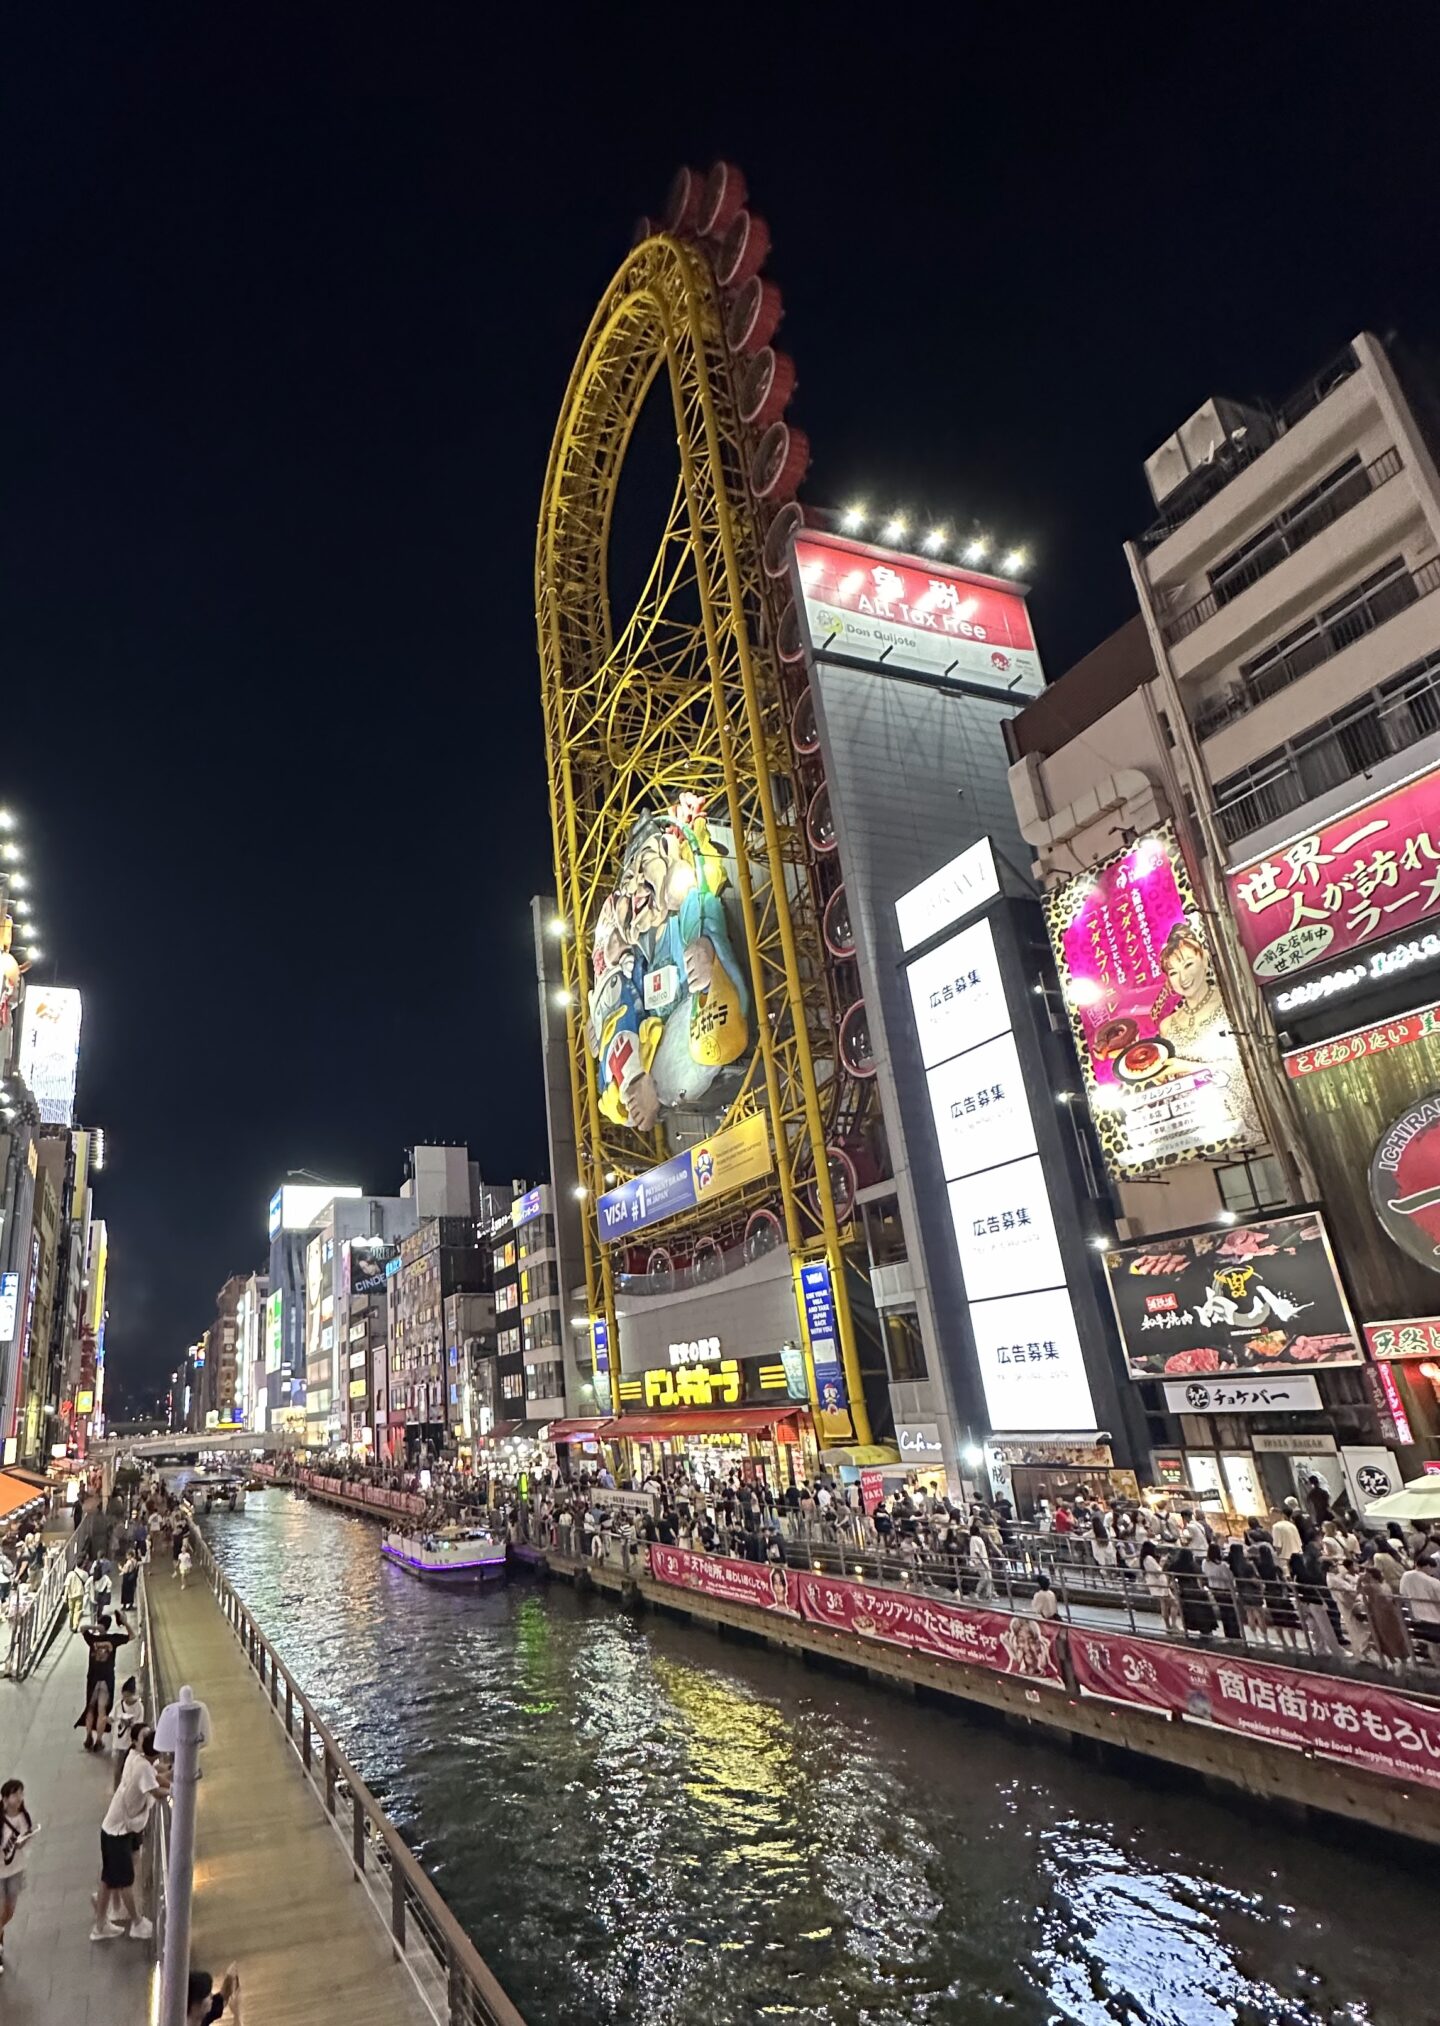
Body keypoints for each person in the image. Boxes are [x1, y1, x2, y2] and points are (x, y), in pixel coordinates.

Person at [92, 1725, 167, 1941]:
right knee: (125, 1880)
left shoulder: (137, 1759)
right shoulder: (142, 1766)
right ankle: (136, 1922)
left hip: (112, 1828)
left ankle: (100, 1925)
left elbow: (158, 1778)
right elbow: (156, 1791)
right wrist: (175, 1791)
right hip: (117, 1833)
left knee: (109, 1877)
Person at [77, 1613, 130, 1753]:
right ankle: (99, 1741)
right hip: (107, 1679)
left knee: (90, 1708)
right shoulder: (113, 1639)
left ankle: (88, 1736)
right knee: (102, 1710)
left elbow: (81, 1628)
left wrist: (95, 1627)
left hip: (93, 1679)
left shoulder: (92, 1639)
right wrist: (125, 1623)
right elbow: (132, 1636)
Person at [0, 1780, 37, 1974]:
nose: (19, 1798)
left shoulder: (24, 1817)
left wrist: (24, 1842)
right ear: (5, 1799)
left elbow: (25, 1841)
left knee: (9, 1910)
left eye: (21, 1793)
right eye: (15, 1794)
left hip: (15, 1870)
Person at [1360, 1565, 1413, 1671]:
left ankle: (1393, 1659)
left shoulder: (1370, 1587)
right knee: (1397, 1635)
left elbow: (1358, 1591)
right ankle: (1403, 1658)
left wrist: (1359, 1580)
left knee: (1384, 1637)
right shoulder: (1385, 1584)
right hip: (1392, 1612)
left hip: (1380, 1614)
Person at [1326, 1556, 1374, 1660]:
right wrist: (1357, 1586)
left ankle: (1362, 1652)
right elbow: (1348, 1591)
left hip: (1346, 1603)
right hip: (1348, 1605)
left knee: (1356, 1629)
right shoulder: (1334, 1579)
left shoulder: (1333, 1578)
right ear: (1330, 1568)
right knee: (1357, 1629)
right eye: (1334, 1566)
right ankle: (1362, 1652)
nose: (1337, 1567)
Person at [1399, 1553, 1440, 1662]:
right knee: (1436, 1645)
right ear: (1427, 1566)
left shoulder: (1406, 1576)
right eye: (1433, 1569)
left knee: (1432, 1645)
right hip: (1435, 1619)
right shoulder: (1434, 1582)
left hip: (1416, 1618)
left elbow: (1402, 1593)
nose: (1433, 1572)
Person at [65, 1561, 87, 1633]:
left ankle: (71, 1625)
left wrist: (65, 1596)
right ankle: (75, 1626)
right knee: (77, 1611)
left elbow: (67, 1585)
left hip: (70, 1595)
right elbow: (86, 1583)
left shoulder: (70, 1574)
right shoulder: (85, 1574)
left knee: (71, 1611)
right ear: (83, 1564)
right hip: (80, 1594)